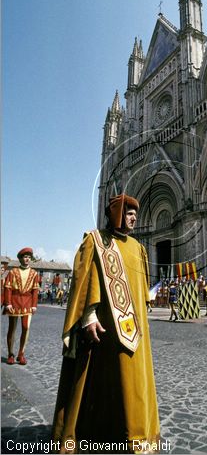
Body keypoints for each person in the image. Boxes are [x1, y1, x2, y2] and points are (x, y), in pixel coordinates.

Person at [52, 194, 160, 453]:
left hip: (133, 328)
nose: (134, 217)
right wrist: (88, 316)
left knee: (133, 381)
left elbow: (141, 288)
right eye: (129, 212)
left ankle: (134, 435)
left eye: (136, 213)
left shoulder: (138, 247)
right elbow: (87, 280)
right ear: (115, 212)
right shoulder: (96, 241)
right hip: (104, 327)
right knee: (103, 380)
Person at [3, 247, 39, 365]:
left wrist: (34, 305)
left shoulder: (34, 273)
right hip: (14, 301)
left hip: (28, 303)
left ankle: (21, 353)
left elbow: (35, 290)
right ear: (20, 258)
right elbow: (7, 288)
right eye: (25, 257)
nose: (27, 259)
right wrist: (7, 303)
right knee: (12, 329)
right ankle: (10, 354)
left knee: (25, 327)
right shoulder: (13, 272)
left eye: (29, 257)